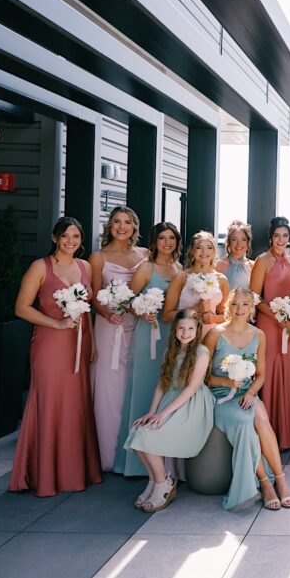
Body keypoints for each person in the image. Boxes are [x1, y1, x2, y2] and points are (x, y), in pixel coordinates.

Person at [10, 217, 101, 496]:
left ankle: (74, 472)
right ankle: (45, 475)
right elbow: (21, 308)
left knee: (76, 405)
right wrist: (57, 324)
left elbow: (88, 310)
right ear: (54, 238)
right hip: (50, 344)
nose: (70, 241)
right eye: (65, 236)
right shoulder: (40, 267)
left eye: (76, 236)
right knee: (50, 403)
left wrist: (93, 343)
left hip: (80, 343)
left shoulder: (85, 266)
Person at [204, 288, 290, 511]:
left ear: (251, 308)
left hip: (247, 393)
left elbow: (260, 374)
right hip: (220, 396)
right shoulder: (215, 334)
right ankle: (265, 483)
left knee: (262, 419)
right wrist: (226, 383)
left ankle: (281, 480)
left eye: (245, 304)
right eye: (235, 303)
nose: (239, 309)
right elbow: (202, 376)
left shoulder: (259, 335)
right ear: (228, 306)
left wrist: (251, 393)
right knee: (245, 423)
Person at [123, 309, 213, 512]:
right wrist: (152, 412)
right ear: (175, 330)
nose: (185, 333)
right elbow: (161, 385)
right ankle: (155, 481)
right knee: (138, 433)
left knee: (147, 437)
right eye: (181, 328)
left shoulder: (201, 352)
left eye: (190, 329)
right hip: (170, 399)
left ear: (197, 330)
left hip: (191, 404)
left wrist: (164, 414)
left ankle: (162, 484)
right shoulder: (170, 351)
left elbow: (192, 388)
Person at [114, 222, 183, 476]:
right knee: (145, 390)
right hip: (149, 337)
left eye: (171, 238)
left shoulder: (179, 268)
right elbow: (127, 301)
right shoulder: (146, 268)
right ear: (154, 241)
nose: (167, 243)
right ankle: (136, 464)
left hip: (173, 336)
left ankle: (166, 462)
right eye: (162, 238)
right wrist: (142, 311)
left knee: (169, 391)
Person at [90, 206, 149, 471]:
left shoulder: (145, 255)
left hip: (138, 326)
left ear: (134, 226)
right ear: (110, 226)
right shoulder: (99, 258)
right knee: (109, 388)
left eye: (127, 222)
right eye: (117, 222)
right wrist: (107, 314)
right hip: (109, 327)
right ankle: (108, 456)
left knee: (135, 386)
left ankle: (136, 455)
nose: (122, 227)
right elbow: (94, 296)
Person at [250, 217, 290, 449]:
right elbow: (254, 298)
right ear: (271, 238)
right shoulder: (262, 260)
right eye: (277, 236)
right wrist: (276, 316)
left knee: (286, 370)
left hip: (286, 324)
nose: (281, 240)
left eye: (285, 236)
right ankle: (267, 435)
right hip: (268, 324)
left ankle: (285, 434)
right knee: (268, 371)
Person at [162, 230, 229, 335]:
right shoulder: (181, 277)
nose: (204, 252)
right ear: (192, 251)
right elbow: (166, 317)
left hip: (211, 336)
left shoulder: (221, 280)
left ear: (214, 251)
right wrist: (195, 309)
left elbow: (226, 316)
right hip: (185, 336)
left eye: (209, 247)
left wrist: (214, 318)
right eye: (199, 247)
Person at [215, 220, 254, 290]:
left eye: (243, 239)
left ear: (248, 242)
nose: (239, 244)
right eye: (234, 239)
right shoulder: (217, 265)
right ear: (228, 241)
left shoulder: (254, 266)